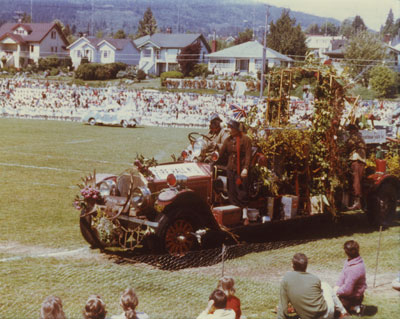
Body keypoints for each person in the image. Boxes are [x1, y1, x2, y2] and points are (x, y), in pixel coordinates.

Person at [277, 253, 348, 319]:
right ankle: (343, 312)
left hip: (307, 317)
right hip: (326, 314)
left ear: (292, 265)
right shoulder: (314, 278)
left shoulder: (286, 279)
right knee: (325, 285)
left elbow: (282, 305)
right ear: (306, 266)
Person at [219, 119, 252, 225]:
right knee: (231, 192)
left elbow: (248, 155)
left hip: (241, 170)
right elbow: (221, 153)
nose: (229, 129)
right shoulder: (228, 140)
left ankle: (245, 215)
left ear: (236, 129)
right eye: (228, 127)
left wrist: (246, 168)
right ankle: (235, 215)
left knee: (242, 193)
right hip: (230, 169)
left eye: (231, 127)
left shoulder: (246, 139)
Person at [334, 240, 367, 315]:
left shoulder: (355, 268)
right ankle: (354, 307)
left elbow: (348, 290)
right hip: (350, 292)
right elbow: (342, 274)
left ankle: (356, 307)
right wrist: (337, 286)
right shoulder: (351, 261)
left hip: (354, 296)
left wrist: (337, 291)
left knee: (335, 308)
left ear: (346, 252)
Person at [344, 123, 366, 210]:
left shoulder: (354, 137)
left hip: (356, 159)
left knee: (355, 181)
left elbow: (347, 145)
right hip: (361, 160)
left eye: (350, 130)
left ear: (353, 130)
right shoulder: (360, 137)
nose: (349, 132)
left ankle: (357, 203)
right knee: (358, 181)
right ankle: (358, 202)